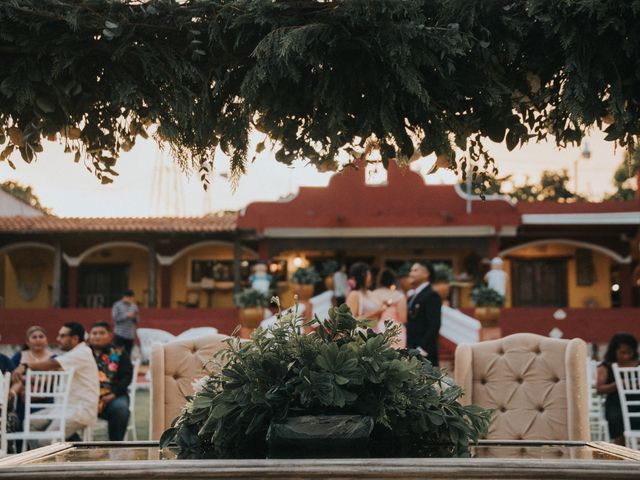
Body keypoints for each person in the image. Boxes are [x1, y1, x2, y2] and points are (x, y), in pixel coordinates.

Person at [12, 322, 99, 442]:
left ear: (75, 338)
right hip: (61, 408)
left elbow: (53, 363)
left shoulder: (83, 352)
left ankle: (50, 460)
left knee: (47, 440)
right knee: (30, 422)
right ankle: (38, 460)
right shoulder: (72, 354)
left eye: (62, 336)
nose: (58, 339)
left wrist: (26, 366)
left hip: (80, 411)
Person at [88, 322, 133, 441]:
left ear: (110, 335)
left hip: (114, 396)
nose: (97, 336)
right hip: (87, 397)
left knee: (121, 409)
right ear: (89, 336)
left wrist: (113, 394)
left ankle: (115, 447)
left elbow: (126, 377)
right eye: (94, 333)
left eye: (102, 333)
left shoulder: (119, 353)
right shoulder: (84, 353)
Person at [596, 332, 640, 446]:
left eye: (629, 352)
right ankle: (620, 450)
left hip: (637, 402)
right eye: (622, 352)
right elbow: (599, 389)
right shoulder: (605, 366)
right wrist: (617, 384)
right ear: (614, 351)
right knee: (617, 418)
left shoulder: (638, 365)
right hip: (615, 403)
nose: (626, 356)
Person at [10, 326, 56, 425]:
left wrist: (25, 378)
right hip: (23, 401)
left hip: (48, 400)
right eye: (34, 337)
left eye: (41, 336)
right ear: (27, 342)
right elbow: (11, 374)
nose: (38, 340)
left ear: (46, 340)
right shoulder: (19, 356)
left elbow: (54, 379)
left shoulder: (54, 358)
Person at [406, 261, 442, 366]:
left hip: (425, 353)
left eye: (415, 270)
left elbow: (434, 325)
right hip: (412, 349)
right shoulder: (413, 296)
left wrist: (421, 348)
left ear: (426, 274)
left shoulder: (431, 295)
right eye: (411, 270)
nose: (410, 273)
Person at [372, 269, 407, 348]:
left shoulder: (373, 294)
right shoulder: (399, 295)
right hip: (396, 329)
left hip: (378, 328)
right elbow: (403, 318)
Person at [111, 289, 139, 355]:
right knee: (117, 353)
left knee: (128, 354)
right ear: (124, 297)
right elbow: (115, 318)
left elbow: (137, 320)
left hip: (130, 334)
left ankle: (126, 365)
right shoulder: (117, 305)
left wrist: (134, 317)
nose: (130, 299)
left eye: (131, 298)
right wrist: (126, 315)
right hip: (119, 333)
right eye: (128, 297)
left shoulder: (134, 306)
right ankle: (115, 365)